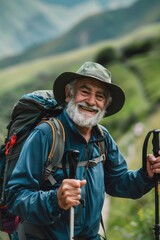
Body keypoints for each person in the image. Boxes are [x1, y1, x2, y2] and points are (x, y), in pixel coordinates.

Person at [5, 62, 160, 240]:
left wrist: (146, 175)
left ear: (106, 105)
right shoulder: (46, 134)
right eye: (85, 92)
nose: (91, 101)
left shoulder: (102, 138)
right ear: (69, 94)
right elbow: (15, 196)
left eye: (100, 96)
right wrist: (55, 200)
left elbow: (119, 182)